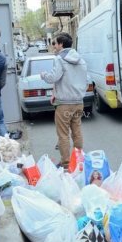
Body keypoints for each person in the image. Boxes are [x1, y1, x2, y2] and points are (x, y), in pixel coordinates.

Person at [40, 32, 88, 169]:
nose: (54, 46)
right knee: (77, 131)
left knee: (63, 135)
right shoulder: (81, 59)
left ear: (61, 44)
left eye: (55, 43)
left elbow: (53, 77)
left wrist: (44, 75)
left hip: (64, 104)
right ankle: (79, 159)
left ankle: (66, 164)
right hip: (79, 102)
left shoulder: (60, 59)